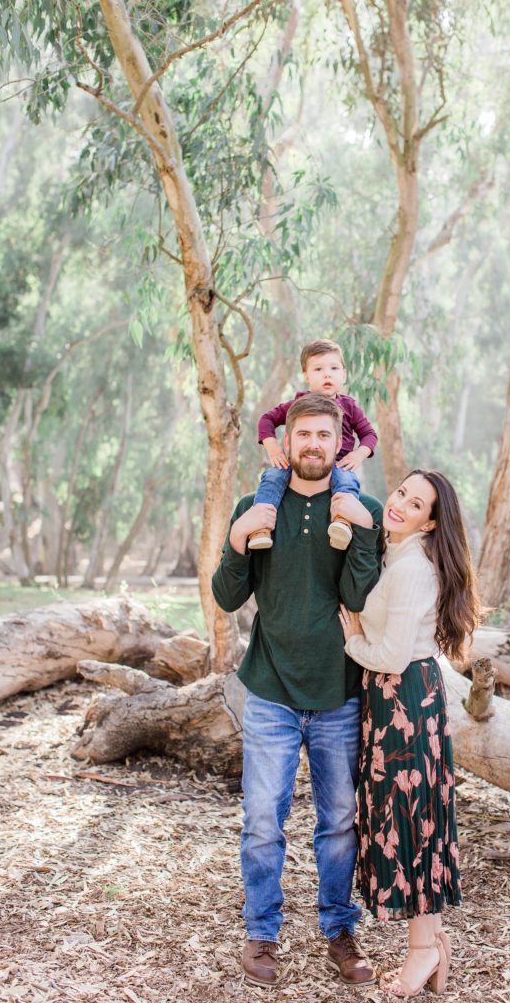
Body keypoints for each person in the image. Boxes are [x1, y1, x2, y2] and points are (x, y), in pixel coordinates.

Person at [211, 393, 383, 989]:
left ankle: (339, 930)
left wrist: (362, 534)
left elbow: (361, 599)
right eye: (301, 434)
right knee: (263, 820)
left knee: (338, 821)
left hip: (339, 693)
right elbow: (228, 597)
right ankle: (262, 934)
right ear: (284, 442)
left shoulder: (362, 508)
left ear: (340, 443)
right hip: (270, 693)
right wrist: (238, 539)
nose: (311, 444)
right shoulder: (256, 506)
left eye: (322, 435)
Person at [339, 470, 481, 998]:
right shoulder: (400, 553)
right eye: (400, 492)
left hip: (403, 701)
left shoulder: (413, 569)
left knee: (411, 821)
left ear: (432, 520)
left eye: (414, 502)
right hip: (400, 700)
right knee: (413, 816)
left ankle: (422, 951)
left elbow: (391, 654)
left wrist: (353, 638)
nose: (398, 504)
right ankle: (434, 943)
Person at [249, 338, 377, 551]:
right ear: (306, 376)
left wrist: (358, 455)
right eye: (318, 369)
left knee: (346, 482)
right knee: (272, 478)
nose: (327, 374)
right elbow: (266, 420)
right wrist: (272, 446)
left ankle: (342, 523)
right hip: (299, 463)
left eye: (334, 368)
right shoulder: (298, 404)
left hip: (336, 464)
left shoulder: (350, 407)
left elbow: (369, 434)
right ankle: (261, 527)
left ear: (343, 375)